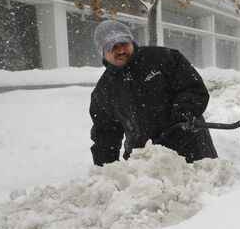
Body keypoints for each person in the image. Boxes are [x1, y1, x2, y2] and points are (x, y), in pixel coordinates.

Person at [89, 19, 218, 166]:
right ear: (102, 53)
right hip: (145, 162)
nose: (121, 50)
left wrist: (185, 113)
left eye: (124, 43)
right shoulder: (103, 92)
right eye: (112, 47)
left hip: (191, 150)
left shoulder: (164, 58)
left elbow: (192, 87)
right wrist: (106, 172)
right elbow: (105, 136)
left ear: (131, 41)